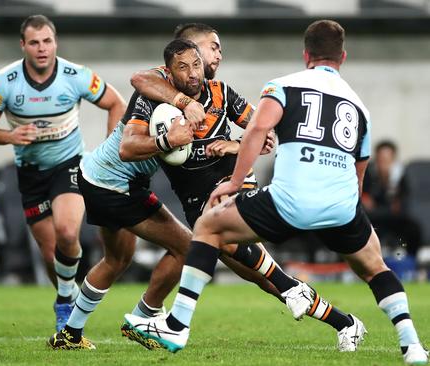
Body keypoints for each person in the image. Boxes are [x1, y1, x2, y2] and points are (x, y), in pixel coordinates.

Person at [124, 20, 428, 365]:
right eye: (212, 47)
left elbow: (259, 132)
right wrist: (353, 213)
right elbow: (360, 166)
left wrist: (233, 173)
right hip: (339, 205)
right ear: (342, 57)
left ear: (305, 55)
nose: (215, 55)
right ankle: (410, 345)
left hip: (280, 198)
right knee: (375, 268)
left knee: (209, 230)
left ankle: (177, 324)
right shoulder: (359, 106)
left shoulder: (279, 87)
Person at [0, 15, 126, 332]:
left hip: (69, 165)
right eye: (35, 42)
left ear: (55, 42)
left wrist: (111, 153)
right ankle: (65, 298)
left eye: (48, 41)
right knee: (51, 250)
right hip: (29, 174)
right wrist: (9, 136)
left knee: (68, 233)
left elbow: (116, 103)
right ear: (23, 45)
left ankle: (67, 303)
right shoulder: (4, 82)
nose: (42, 49)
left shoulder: (75, 75)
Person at [47, 38, 197, 350]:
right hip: (113, 184)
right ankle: (145, 320)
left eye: (197, 63)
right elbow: (129, 147)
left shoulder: (191, 90)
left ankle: (69, 335)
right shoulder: (156, 90)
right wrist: (168, 141)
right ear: (169, 70)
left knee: (116, 260)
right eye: (184, 66)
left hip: (99, 177)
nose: (194, 71)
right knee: (187, 248)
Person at [362, 140, 422, 259]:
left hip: (394, 218)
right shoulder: (368, 172)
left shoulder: (400, 174)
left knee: (413, 229)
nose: (384, 163)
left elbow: (402, 200)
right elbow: (366, 199)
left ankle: (411, 261)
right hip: (373, 218)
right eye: (381, 159)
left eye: (387, 159)